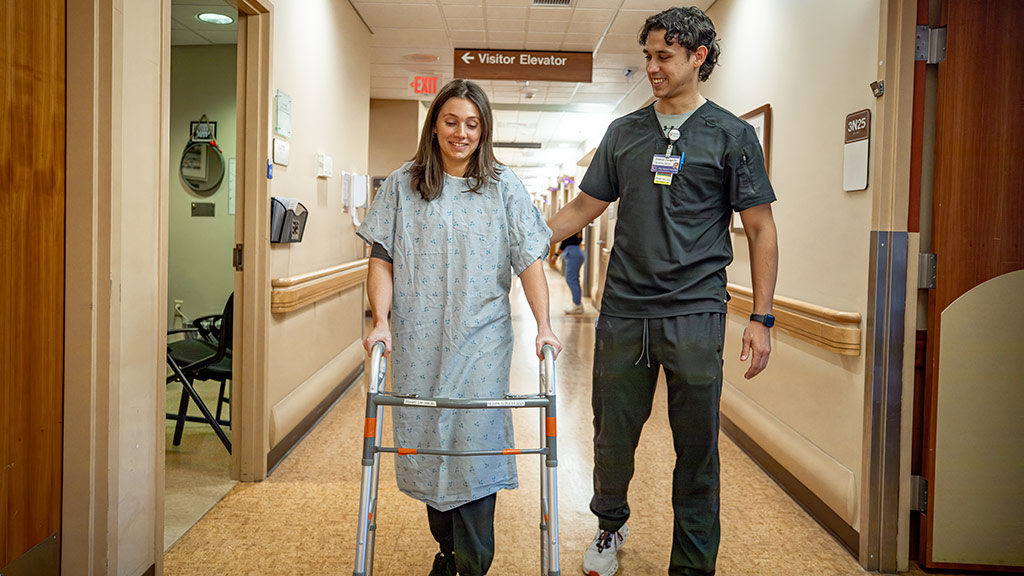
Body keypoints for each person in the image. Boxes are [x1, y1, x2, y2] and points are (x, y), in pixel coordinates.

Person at [547, 7, 779, 576]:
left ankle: (693, 564)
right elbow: (584, 207)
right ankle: (609, 525)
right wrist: (514, 239)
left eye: (663, 57)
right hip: (624, 310)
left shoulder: (732, 135)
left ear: (698, 58)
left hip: (696, 312)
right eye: (647, 56)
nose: (651, 67)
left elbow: (761, 228)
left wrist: (763, 317)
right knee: (612, 438)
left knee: (696, 450)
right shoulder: (624, 133)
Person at [357, 79, 562, 576]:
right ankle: (449, 553)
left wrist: (545, 326)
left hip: (483, 339)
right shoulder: (403, 184)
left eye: (473, 124)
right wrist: (381, 321)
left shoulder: (502, 186)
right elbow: (381, 258)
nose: (461, 133)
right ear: (435, 125)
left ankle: (472, 562)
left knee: (473, 444)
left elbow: (530, 260)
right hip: (420, 341)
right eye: (451, 121)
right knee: (428, 441)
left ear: (484, 130)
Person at [556, 231, 585, 314]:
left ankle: (577, 305)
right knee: (574, 279)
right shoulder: (578, 228)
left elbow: (565, 242)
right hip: (576, 252)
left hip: (573, 254)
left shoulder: (571, 228)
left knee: (571, 280)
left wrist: (555, 255)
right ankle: (577, 304)